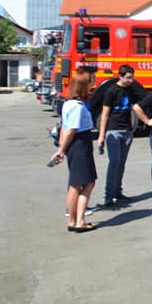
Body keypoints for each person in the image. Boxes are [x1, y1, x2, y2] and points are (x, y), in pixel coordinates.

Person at [50, 73, 98, 232]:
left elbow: (64, 127)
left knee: (77, 183)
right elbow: (71, 130)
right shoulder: (77, 106)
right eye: (91, 81)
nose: (93, 84)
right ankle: (79, 221)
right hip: (80, 144)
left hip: (74, 145)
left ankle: (74, 220)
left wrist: (61, 149)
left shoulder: (68, 103)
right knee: (85, 183)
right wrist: (62, 149)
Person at [97, 65, 144, 207]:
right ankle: (108, 196)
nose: (131, 80)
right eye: (129, 77)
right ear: (120, 76)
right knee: (114, 163)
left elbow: (135, 107)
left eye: (132, 77)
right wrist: (101, 136)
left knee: (121, 164)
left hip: (127, 131)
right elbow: (105, 115)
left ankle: (117, 192)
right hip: (114, 131)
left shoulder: (130, 90)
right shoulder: (111, 91)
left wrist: (147, 120)